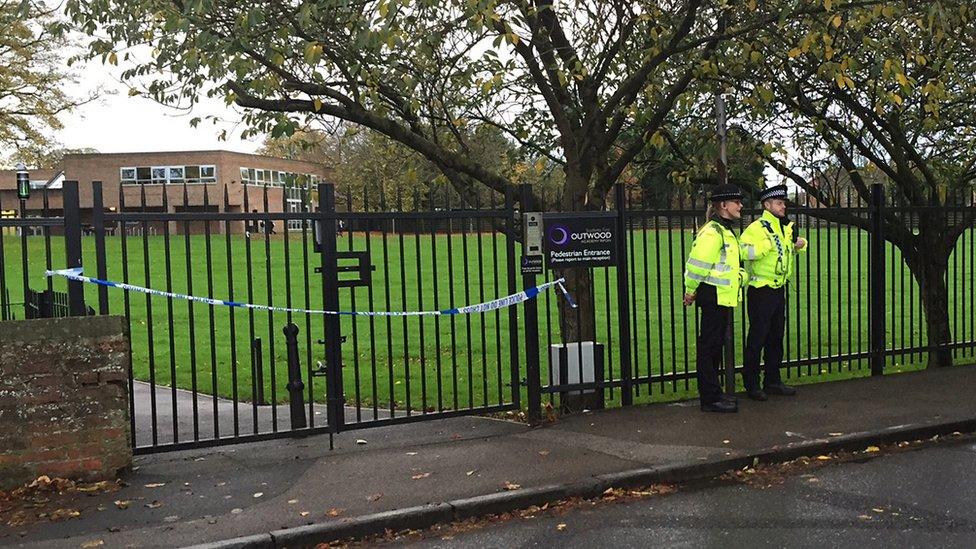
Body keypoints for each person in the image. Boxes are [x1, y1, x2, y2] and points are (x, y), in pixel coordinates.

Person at [683, 184, 755, 413]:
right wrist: (690, 289)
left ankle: (714, 394)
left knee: (714, 347)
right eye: (737, 202)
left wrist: (742, 276)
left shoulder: (725, 231)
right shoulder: (713, 232)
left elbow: (731, 265)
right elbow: (697, 265)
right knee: (709, 348)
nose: (741, 206)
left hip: (721, 296)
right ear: (723, 205)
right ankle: (710, 398)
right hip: (712, 296)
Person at [739, 184, 808, 401]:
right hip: (761, 290)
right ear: (767, 205)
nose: (783, 206)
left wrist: (798, 245)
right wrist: (764, 246)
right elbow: (744, 250)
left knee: (776, 337)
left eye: (784, 203)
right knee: (758, 337)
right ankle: (752, 384)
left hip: (778, 288)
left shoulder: (783, 227)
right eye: (779, 203)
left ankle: (772, 380)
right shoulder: (757, 228)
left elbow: (784, 250)